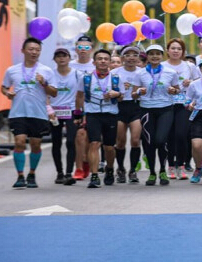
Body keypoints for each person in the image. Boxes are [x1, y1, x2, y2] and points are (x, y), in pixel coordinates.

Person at [2, 38, 58, 188]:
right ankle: (20, 176)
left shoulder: (46, 71)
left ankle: (32, 174)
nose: (34, 52)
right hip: (18, 113)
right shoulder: (12, 70)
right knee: (19, 142)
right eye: (31, 49)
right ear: (23, 51)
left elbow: (54, 93)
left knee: (35, 144)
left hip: (38, 113)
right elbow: (4, 87)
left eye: (37, 50)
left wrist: (44, 83)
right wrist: (8, 93)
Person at [132, 45, 181, 186]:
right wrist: (139, 92)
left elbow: (177, 90)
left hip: (165, 109)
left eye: (157, 54)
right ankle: (153, 172)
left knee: (160, 140)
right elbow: (133, 94)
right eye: (151, 54)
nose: (154, 56)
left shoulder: (170, 72)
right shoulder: (140, 73)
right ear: (146, 56)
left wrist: (174, 91)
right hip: (146, 110)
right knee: (149, 141)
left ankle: (163, 171)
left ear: (162, 55)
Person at [76, 49, 123, 188]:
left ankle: (109, 169)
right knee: (94, 143)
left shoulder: (116, 78)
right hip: (93, 113)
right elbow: (79, 95)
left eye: (105, 59)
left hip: (110, 113)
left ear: (109, 62)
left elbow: (122, 97)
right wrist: (78, 114)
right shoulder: (86, 78)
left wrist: (116, 94)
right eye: (100, 58)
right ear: (94, 61)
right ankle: (94, 175)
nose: (103, 61)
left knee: (109, 147)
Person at [162, 38, 201, 180]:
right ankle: (171, 166)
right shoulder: (161, 66)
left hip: (184, 104)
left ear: (183, 51)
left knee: (181, 135)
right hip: (165, 104)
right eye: (173, 48)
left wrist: (191, 82)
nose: (176, 51)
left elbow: (199, 82)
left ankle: (181, 165)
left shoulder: (190, 66)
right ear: (167, 50)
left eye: (179, 49)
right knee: (169, 136)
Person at [48, 48, 80, 185]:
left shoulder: (77, 74)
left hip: (71, 110)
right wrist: (49, 109)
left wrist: (80, 111)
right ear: (54, 59)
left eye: (64, 56)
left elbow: (81, 93)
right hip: (55, 111)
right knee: (56, 142)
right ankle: (59, 173)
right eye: (58, 56)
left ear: (69, 58)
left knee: (71, 141)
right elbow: (46, 93)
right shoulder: (50, 74)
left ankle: (68, 173)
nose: (61, 59)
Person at [112, 46, 143, 183]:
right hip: (119, 106)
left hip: (136, 107)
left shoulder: (143, 73)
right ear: (122, 58)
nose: (131, 57)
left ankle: (133, 170)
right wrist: (119, 90)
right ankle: (120, 169)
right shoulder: (115, 73)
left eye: (134, 54)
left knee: (135, 140)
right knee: (120, 141)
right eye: (128, 55)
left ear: (138, 57)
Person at [69, 35, 95, 175]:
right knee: (78, 136)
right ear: (76, 49)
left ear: (91, 49)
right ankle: (78, 167)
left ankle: (86, 162)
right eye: (80, 47)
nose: (83, 50)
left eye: (86, 47)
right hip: (76, 106)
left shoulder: (96, 65)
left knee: (91, 139)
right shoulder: (70, 65)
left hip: (94, 106)